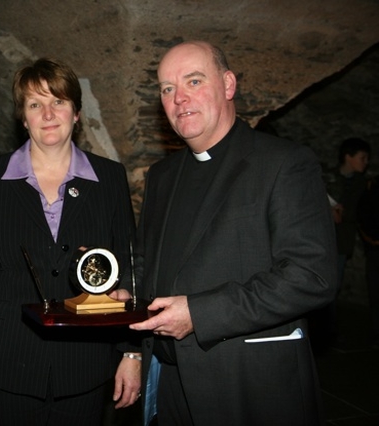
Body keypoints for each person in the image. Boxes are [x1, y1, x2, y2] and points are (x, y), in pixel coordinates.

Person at [126, 41, 337, 425]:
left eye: (193, 81)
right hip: (170, 385)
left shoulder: (283, 163)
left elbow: (312, 276)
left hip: (249, 383)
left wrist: (199, 313)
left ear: (227, 84)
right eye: (167, 88)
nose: (179, 98)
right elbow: (145, 261)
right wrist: (124, 289)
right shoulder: (161, 177)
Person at [0, 57, 140, 425]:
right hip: (4, 359)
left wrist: (132, 354)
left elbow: (128, 269)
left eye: (59, 102)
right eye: (36, 104)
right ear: (23, 117)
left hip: (85, 363)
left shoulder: (110, 179)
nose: (48, 114)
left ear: (76, 112)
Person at [321, 137, 370, 344]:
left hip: (341, 242)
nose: (366, 162)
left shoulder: (362, 183)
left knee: (334, 284)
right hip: (322, 240)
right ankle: (324, 330)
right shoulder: (327, 176)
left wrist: (343, 212)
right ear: (348, 157)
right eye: (362, 157)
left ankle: (329, 330)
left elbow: (362, 211)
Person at [357, 175, 379, 349]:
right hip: (374, 251)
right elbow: (362, 219)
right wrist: (370, 240)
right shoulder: (370, 196)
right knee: (375, 293)